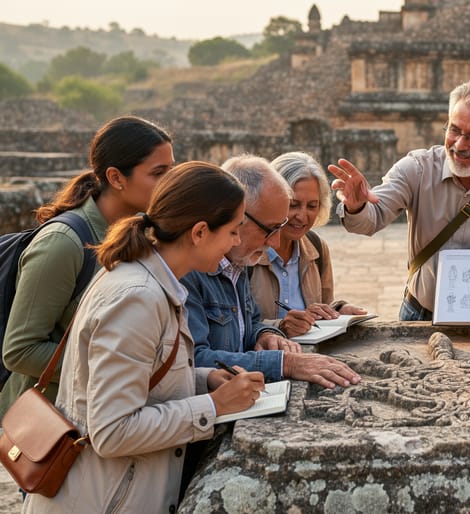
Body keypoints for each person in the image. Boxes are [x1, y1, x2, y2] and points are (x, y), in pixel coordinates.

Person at [22, 162, 266, 513]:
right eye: (231, 231)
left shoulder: (150, 280)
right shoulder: (137, 296)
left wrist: (205, 379)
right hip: (104, 500)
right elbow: (112, 430)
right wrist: (214, 406)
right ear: (199, 232)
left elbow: (143, 378)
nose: (237, 242)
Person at [328, 79, 470, 335]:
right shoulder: (417, 168)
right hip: (419, 313)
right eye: (454, 130)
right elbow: (371, 218)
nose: (459, 145)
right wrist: (356, 206)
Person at [0, 116, 174, 416]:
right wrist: (115, 365)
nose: (169, 183)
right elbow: (20, 351)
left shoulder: (143, 235)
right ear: (117, 178)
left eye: (172, 171)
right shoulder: (63, 243)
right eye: (158, 173)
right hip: (52, 427)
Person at [181, 154, 360, 388]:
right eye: (271, 229)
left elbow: (249, 324)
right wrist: (285, 363)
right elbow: (193, 362)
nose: (274, 243)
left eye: (312, 206)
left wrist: (266, 335)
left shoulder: (239, 261)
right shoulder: (189, 271)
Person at [250, 151, 366, 336]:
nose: (302, 216)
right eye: (293, 204)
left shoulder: (317, 248)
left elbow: (324, 304)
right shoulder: (247, 251)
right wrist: (279, 327)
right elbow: (232, 328)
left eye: (312, 206)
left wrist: (338, 310)